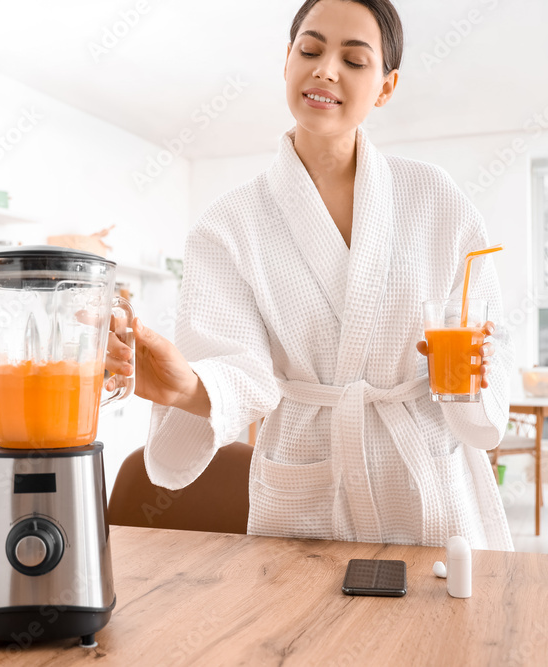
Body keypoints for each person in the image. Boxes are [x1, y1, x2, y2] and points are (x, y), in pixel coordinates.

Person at [105, 0, 513, 550]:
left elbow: (477, 345)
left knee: (438, 631)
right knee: (294, 634)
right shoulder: (228, 226)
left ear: (386, 86)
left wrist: (472, 371)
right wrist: (188, 387)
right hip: (305, 486)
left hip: (425, 487)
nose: (326, 70)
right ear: (287, 62)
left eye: (354, 59)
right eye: (311, 49)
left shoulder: (435, 197)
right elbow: (239, 371)